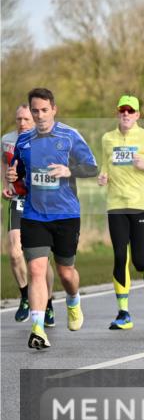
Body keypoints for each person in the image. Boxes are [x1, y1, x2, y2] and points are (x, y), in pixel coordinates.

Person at [7, 87, 98, 349]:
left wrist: (68, 170)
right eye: (34, 110)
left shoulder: (69, 136)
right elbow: (20, 173)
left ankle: (72, 300)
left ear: (54, 109)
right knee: (36, 270)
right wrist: (13, 178)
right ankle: (37, 329)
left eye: (44, 110)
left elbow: (91, 167)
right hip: (34, 215)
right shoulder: (23, 141)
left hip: (66, 214)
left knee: (66, 272)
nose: (39, 115)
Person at [97, 95, 144, 330]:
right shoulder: (107, 139)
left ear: (138, 115)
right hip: (116, 204)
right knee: (120, 256)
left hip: (141, 203)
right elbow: (105, 165)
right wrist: (103, 175)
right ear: (117, 113)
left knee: (138, 260)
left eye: (131, 110)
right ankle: (124, 313)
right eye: (122, 110)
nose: (126, 114)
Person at [3, 104, 54, 325]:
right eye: (19, 119)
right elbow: (4, 163)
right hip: (19, 200)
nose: (22, 123)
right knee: (14, 252)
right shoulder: (7, 140)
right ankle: (25, 296)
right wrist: (5, 184)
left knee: (40, 258)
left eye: (26, 119)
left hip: (41, 203)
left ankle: (48, 302)